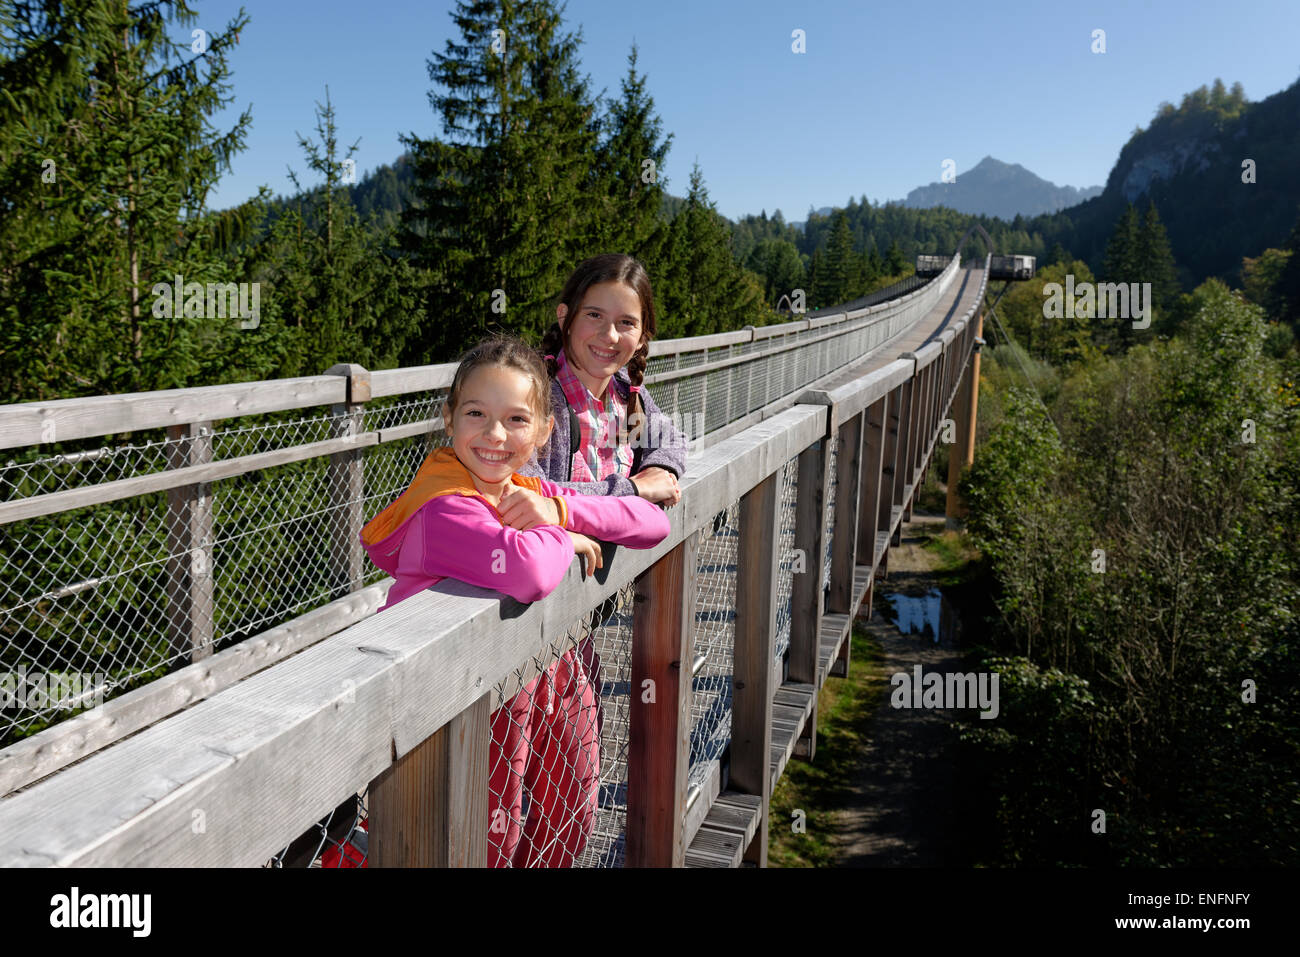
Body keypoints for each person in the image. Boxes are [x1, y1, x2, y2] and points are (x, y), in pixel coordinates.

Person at [358, 336, 670, 867]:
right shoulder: (444, 507)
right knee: (487, 842)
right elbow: (525, 570)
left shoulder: (524, 489)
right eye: (476, 413)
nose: (495, 435)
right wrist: (558, 536)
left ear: (546, 430)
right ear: (449, 419)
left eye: (517, 420)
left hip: (544, 674)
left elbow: (652, 523)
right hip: (468, 700)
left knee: (570, 811)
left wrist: (561, 513)